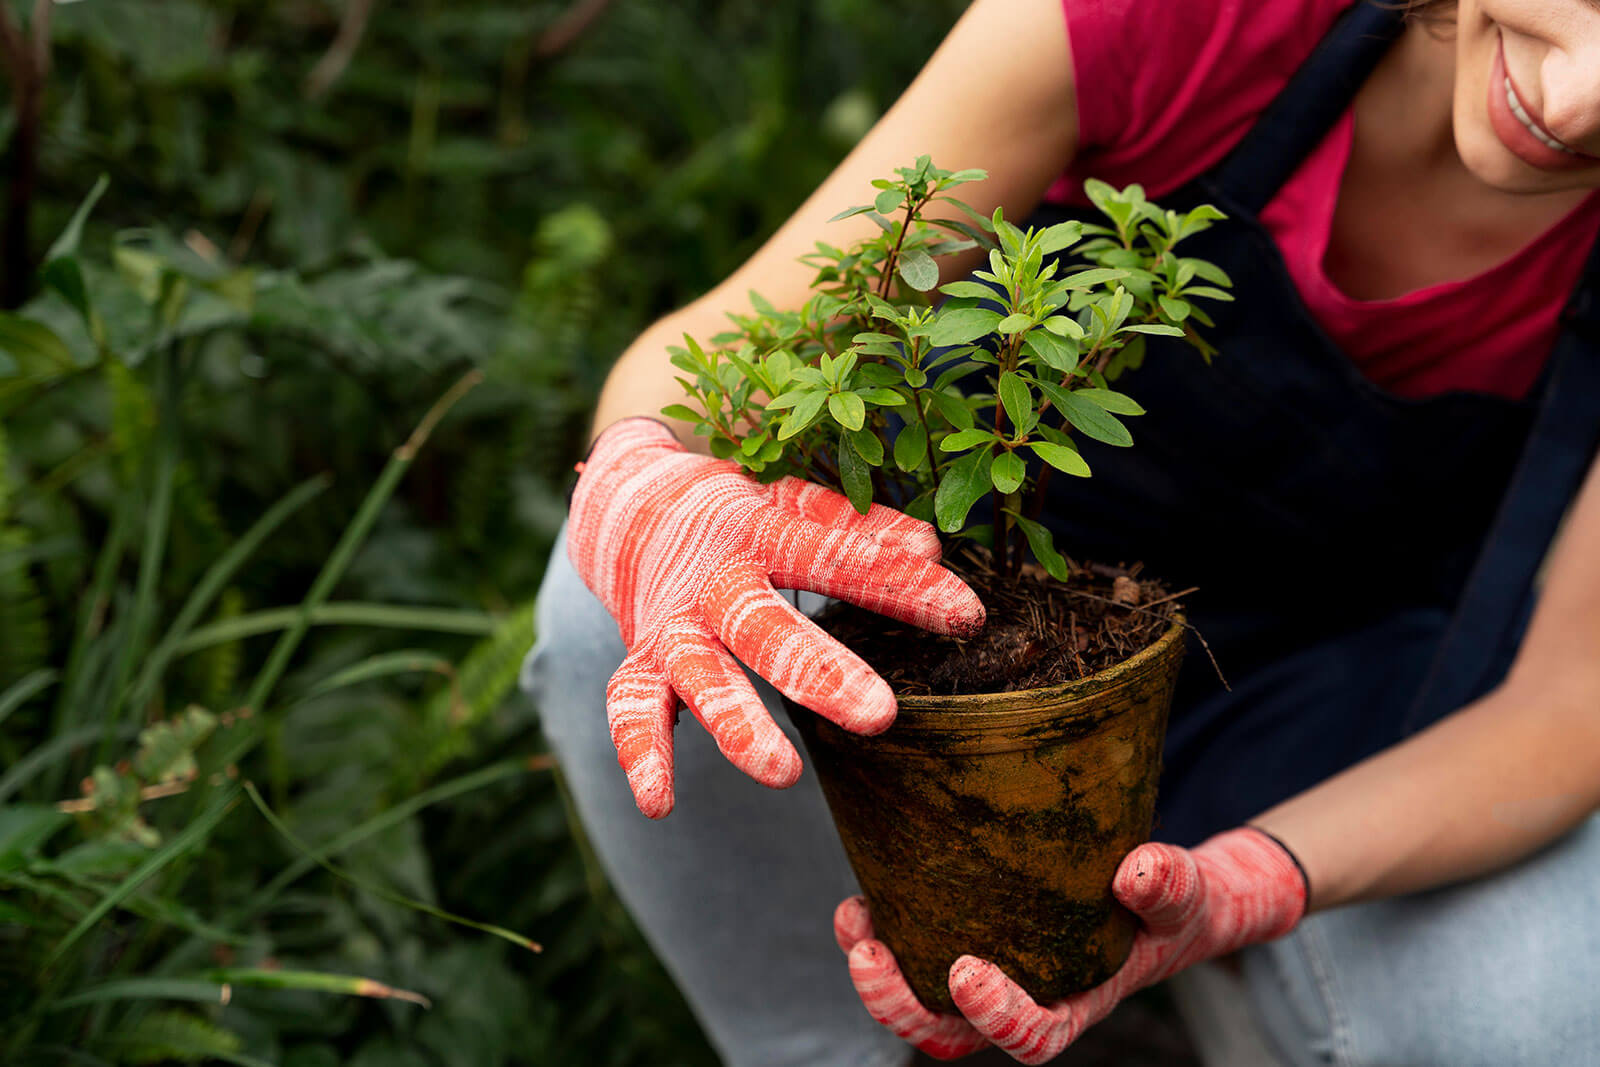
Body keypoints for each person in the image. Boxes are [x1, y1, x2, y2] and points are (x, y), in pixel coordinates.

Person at [520, 0, 1600, 1063]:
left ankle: (1232, 992)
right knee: (622, 598)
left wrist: (1247, 884)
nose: (1570, 102)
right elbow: (706, 371)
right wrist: (653, 485)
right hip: (942, 593)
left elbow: (1569, 702)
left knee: (1539, 1015)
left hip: (1334, 713)